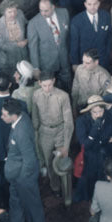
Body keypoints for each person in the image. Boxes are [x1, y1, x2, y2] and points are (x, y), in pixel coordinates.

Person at [1, 96, 45, 222]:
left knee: (33, 206)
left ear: (13, 115)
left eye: (4, 115)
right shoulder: (22, 116)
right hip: (17, 176)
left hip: (24, 178)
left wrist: (22, 178)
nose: (1, 117)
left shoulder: (22, 132)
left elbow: (29, 159)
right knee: (16, 203)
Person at [31, 71, 74, 202]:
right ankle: (55, 187)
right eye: (44, 85)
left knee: (63, 162)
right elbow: (35, 116)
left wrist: (66, 146)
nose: (47, 88)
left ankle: (67, 192)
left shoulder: (63, 96)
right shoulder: (36, 95)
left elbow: (69, 123)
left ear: (54, 81)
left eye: (50, 85)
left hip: (60, 130)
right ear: (39, 83)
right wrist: (36, 135)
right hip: (44, 132)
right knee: (49, 162)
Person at [73, 95, 112, 203]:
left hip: (105, 154)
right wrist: (94, 129)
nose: (98, 114)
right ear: (90, 111)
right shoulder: (81, 121)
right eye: (95, 112)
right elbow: (85, 144)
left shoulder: (108, 117)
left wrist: (111, 138)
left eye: (100, 111)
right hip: (90, 156)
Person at [0, 0, 29, 75]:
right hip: (8, 60)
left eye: (15, 11)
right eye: (9, 12)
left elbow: (27, 25)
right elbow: (1, 45)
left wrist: (27, 39)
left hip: (24, 55)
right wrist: (17, 45)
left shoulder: (20, 14)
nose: (13, 14)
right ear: (3, 12)